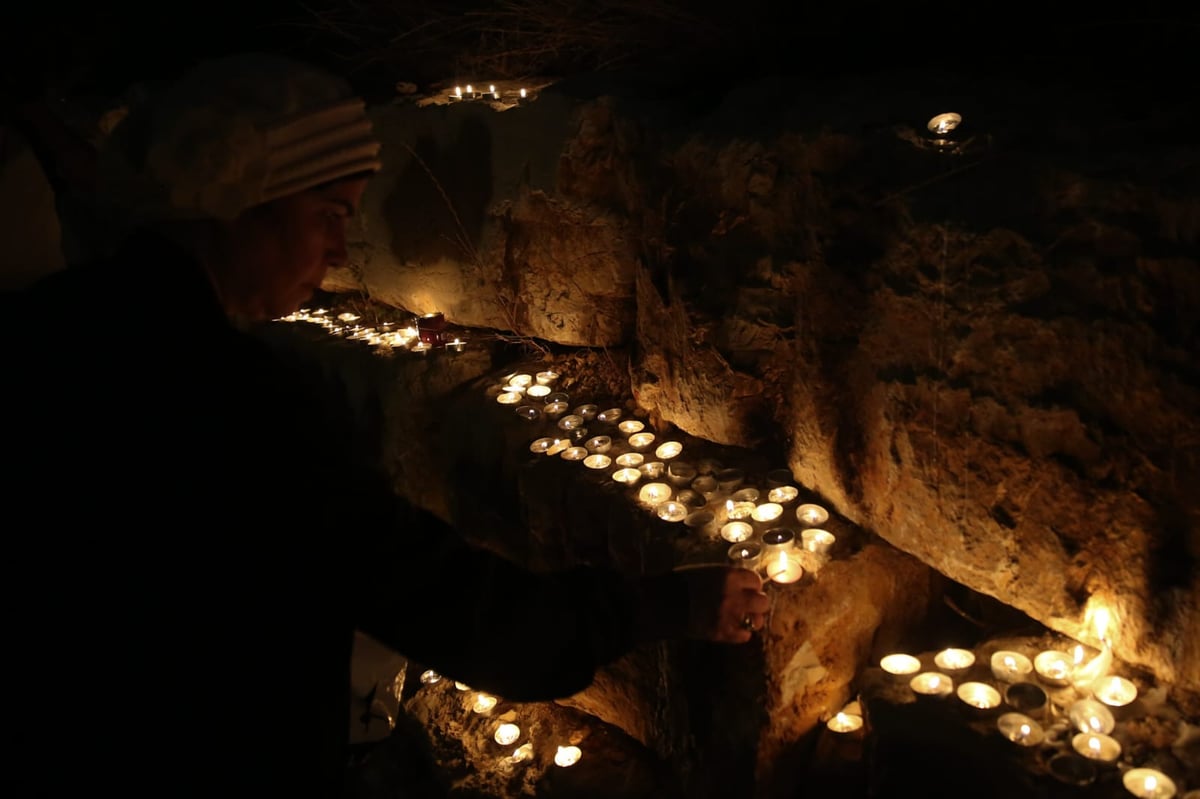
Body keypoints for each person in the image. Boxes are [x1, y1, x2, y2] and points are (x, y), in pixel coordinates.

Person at [0, 53, 770, 797]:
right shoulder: (228, 402)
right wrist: (668, 606)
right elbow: (445, 603)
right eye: (329, 212)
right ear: (235, 196)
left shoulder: (53, 328)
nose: (340, 248)